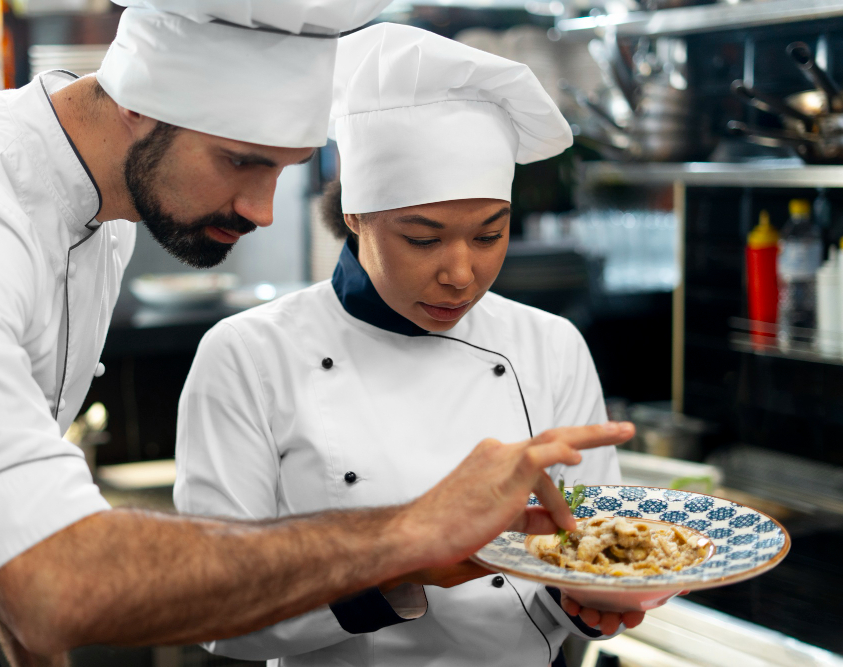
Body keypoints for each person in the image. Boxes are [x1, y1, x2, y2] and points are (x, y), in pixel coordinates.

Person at [0, 1, 636, 665]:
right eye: (242, 162)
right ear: (138, 104)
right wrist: (410, 534)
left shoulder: (106, 213)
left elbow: (10, 531)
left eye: (284, 170)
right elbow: (50, 582)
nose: (261, 210)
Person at [174, 24, 641, 667]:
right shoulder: (251, 355)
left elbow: (589, 554)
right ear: (356, 216)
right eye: (423, 239)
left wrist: (591, 599)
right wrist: (401, 571)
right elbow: (212, 609)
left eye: (489, 235)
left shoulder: (550, 346)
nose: (460, 273)